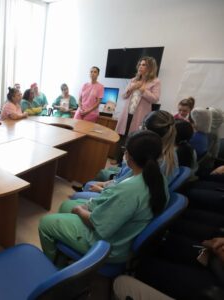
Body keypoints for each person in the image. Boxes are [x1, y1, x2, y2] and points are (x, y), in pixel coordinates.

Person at [39, 130, 168, 262]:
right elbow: (114, 194)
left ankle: (54, 266)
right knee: (66, 205)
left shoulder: (129, 191)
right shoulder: (156, 176)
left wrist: (79, 210)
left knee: (45, 223)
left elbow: (97, 224)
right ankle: (64, 253)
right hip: (123, 229)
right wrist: (88, 206)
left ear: (129, 156)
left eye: (125, 151)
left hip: (109, 246)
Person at [116, 57, 161, 137]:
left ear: (150, 67)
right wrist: (131, 88)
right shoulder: (133, 80)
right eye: (140, 64)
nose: (140, 66)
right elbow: (123, 96)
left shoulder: (156, 81)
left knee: (135, 138)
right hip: (127, 114)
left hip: (140, 115)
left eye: (143, 65)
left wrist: (143, 90)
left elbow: (155, 99)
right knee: (121, 137)